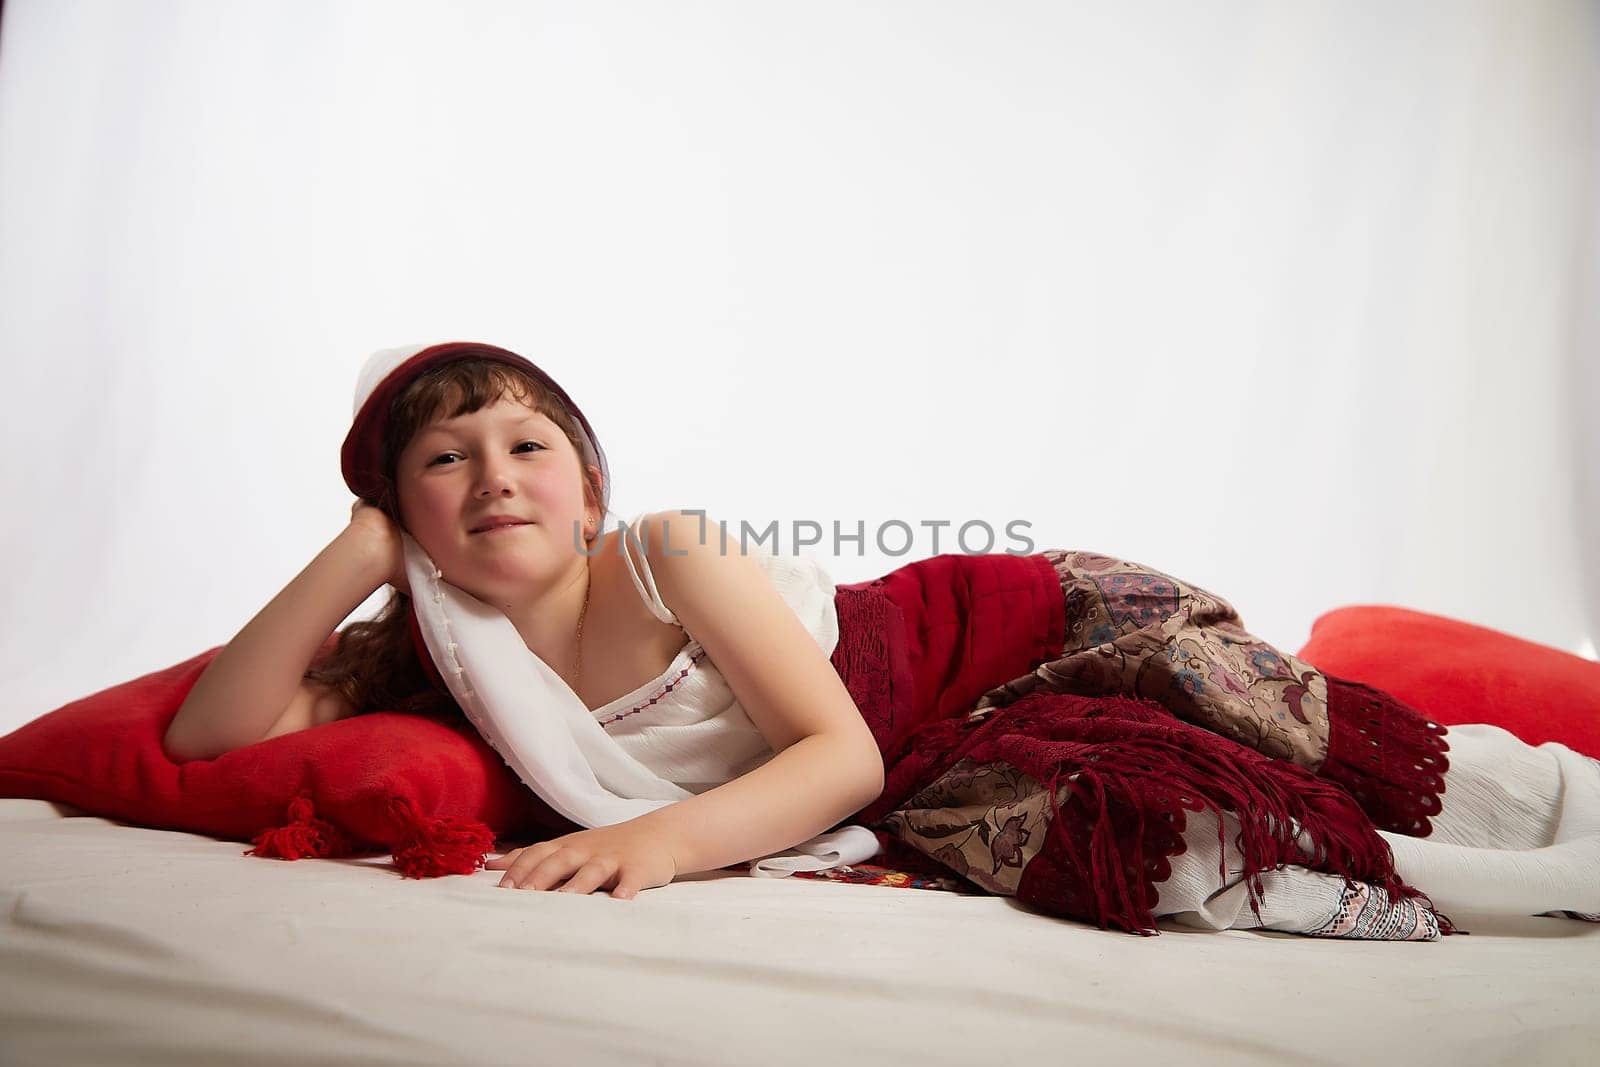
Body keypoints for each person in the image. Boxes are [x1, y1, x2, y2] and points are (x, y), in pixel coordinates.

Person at [163, 342, 1600, 935]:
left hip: (1018, 633)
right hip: (934, 759)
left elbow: (838, 751)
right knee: (1119, 830)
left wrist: (664, 843)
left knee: (1236, 720)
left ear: (589, 486)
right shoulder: (448, 659)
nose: (491, 476)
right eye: (440, 462)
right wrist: (352, 548)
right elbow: (216, 734)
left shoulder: (668, 551)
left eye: (526, 442)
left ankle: (1552, 807)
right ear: (406, 515)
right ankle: (1469, 894)